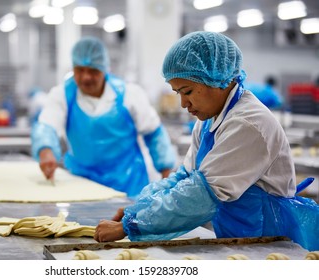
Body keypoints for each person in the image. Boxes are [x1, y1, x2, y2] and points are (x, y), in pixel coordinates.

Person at [94, 31, 319, 251]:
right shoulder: (209, 121)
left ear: (215, 78)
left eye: (188, 91)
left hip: (270, 244)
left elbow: (200, 196)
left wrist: (130, 226)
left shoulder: (249, 125)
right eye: (178, 93)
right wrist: (139, 210)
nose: (183, 103)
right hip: (238, 242)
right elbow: (185, 178)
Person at [30, 36, 176, 198]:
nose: (86, 77)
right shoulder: (62, 95)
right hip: (81, 183)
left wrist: (166, 171)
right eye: (80, 70)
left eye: (93, 71)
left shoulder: (129, 94)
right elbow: (46, 126)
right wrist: (45, 150)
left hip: (127, 184)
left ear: (105, 69)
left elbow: (154, 134)